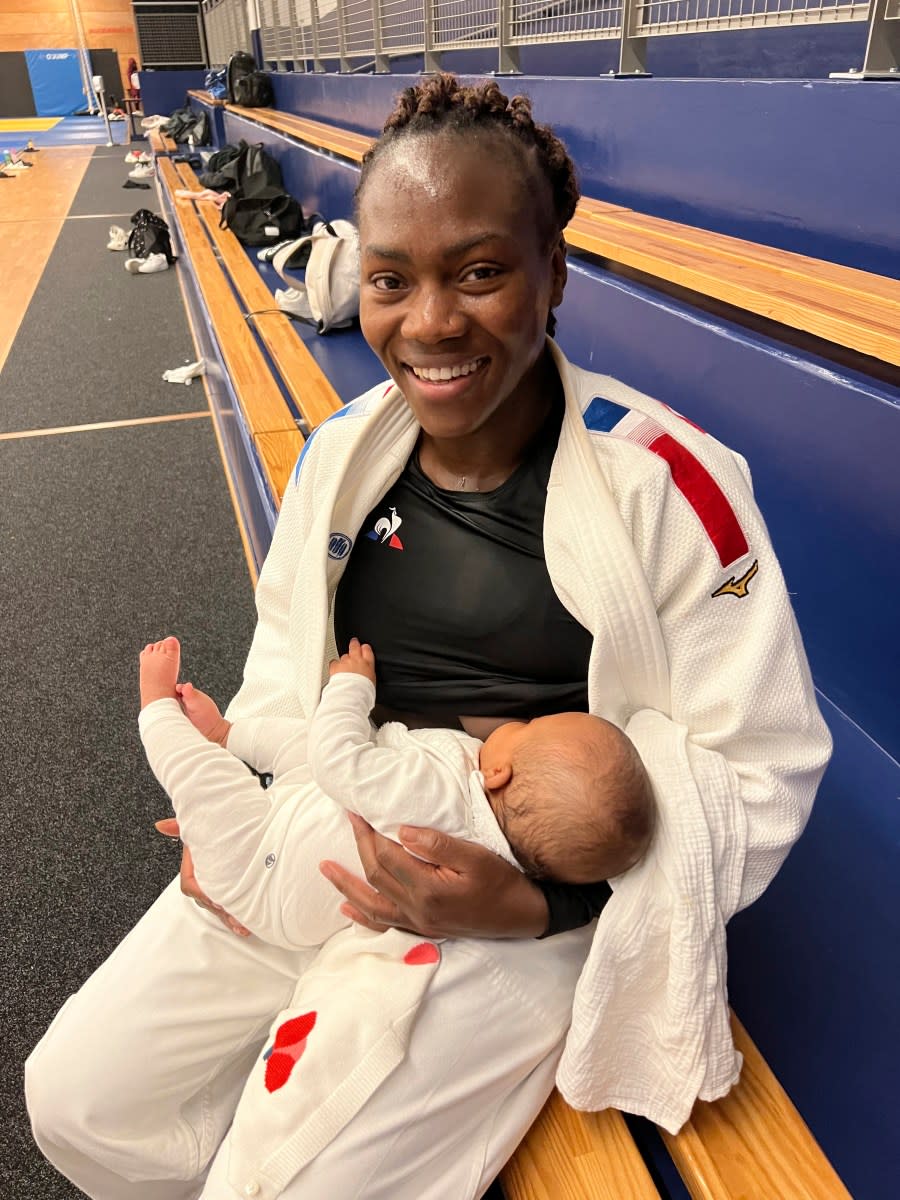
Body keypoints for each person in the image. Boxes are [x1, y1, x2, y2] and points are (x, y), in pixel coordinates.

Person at [25, 74, 832, 1200]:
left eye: (483, 272)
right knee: (77, 1099)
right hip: (326, 823)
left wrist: (542, 903)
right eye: (393, 280)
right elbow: (285, 657)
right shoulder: (347, 451)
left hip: (506, 893)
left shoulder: (670, 485)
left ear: (555, 272)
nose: (432, 322)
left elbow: (763, 763)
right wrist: (244, 804)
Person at [137, 633, 654, 947]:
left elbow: (338, 762)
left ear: (499, 774)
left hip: (259, 868)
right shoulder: (505, 843)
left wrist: (351, 687)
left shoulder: (441, 797)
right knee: (300, 747)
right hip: (301, 828)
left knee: (211, 783)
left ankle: (157, 708)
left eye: (530, 727)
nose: (521, 721)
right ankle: (226, 735)